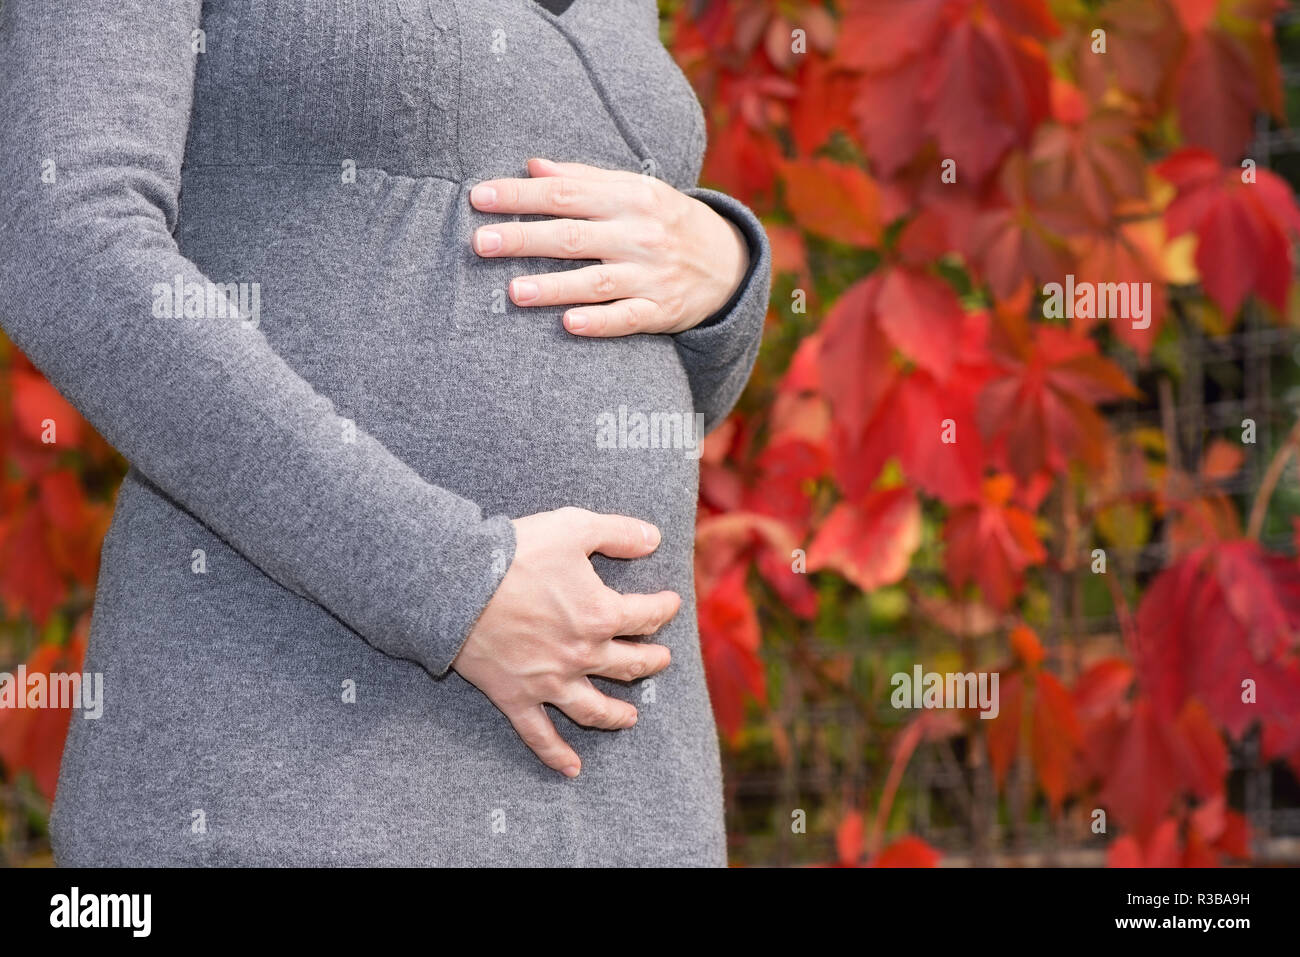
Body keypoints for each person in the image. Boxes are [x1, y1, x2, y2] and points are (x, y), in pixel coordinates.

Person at [0, 0, 770, 866]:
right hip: (291, 776)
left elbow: (648, 367)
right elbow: (67, 236)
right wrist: (447, 580)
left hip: (630, 797)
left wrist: (726, 273)